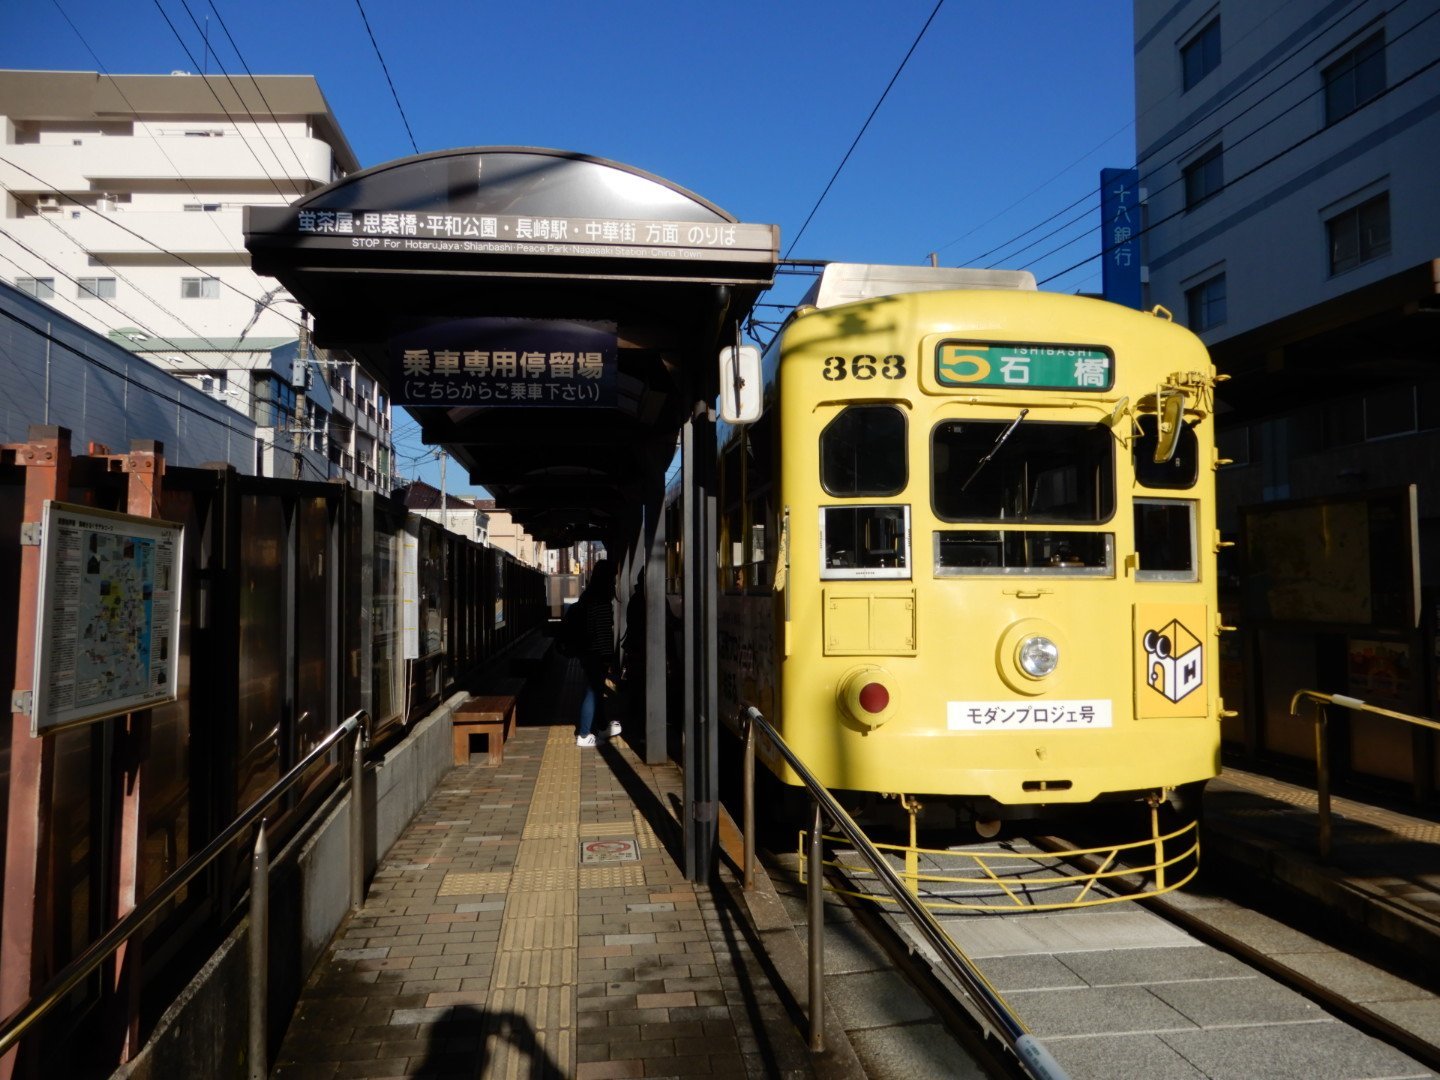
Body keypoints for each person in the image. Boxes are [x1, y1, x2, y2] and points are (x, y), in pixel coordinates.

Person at [571, 559, 621, 747]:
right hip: (597, 653)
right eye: (613, 577)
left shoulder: (589, 596)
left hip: (588, 651)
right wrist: (608, 656)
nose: (615, 581)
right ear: (607, 577)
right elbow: (602, 632)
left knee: (596, 690)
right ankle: (584, 734)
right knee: (592, 692)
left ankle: (600, 727)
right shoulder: (601, 599)